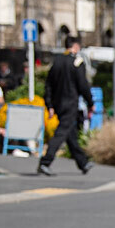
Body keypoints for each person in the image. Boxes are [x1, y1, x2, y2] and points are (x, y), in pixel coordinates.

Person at [38, 36, 94, 176]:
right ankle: (45, 162)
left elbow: (48, 85)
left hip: (58, 103)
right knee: (62, 132)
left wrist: (49, 104)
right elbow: (83, 85)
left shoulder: (57, 61)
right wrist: (91, 103)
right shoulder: (77, 62)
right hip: (70, 103)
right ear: (75, 46)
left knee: (70, 134)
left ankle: (83, 162)